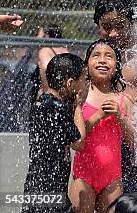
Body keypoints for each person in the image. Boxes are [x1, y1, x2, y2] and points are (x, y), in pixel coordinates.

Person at [93, 0, 137, 194]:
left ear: (130, 23)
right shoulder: (95, 57)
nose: (113, 33)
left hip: (135, 138)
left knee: (135, 197)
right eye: (106, 27)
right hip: (104, 136)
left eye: (120, 26)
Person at [70, 39, 134, 213]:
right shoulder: (80, 97)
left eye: (109, 56)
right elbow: (76, 138)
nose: (102, 60)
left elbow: (132, 142)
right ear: (87, 64)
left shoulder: (123, 99)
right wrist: (99, 116)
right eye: (96, 55)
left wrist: (119, 116)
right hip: (83, 174)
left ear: (116, 66)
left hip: (112, 177)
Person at [22, 53, 87, 213]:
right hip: (51, 191)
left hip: (36, 186)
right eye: (84, 79)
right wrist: (79, 106)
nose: (85, 84)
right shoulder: (57, 108)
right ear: (70, 83)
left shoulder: (41, 103)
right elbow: (79, 143)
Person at [35, 23, 69, 97]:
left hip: (51, 95)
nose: (37, 37)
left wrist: (47, 92)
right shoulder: (65, 50)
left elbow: (45, 68)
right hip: (65, 95)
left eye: (39, 34)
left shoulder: (45, 50)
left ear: (46, 36)